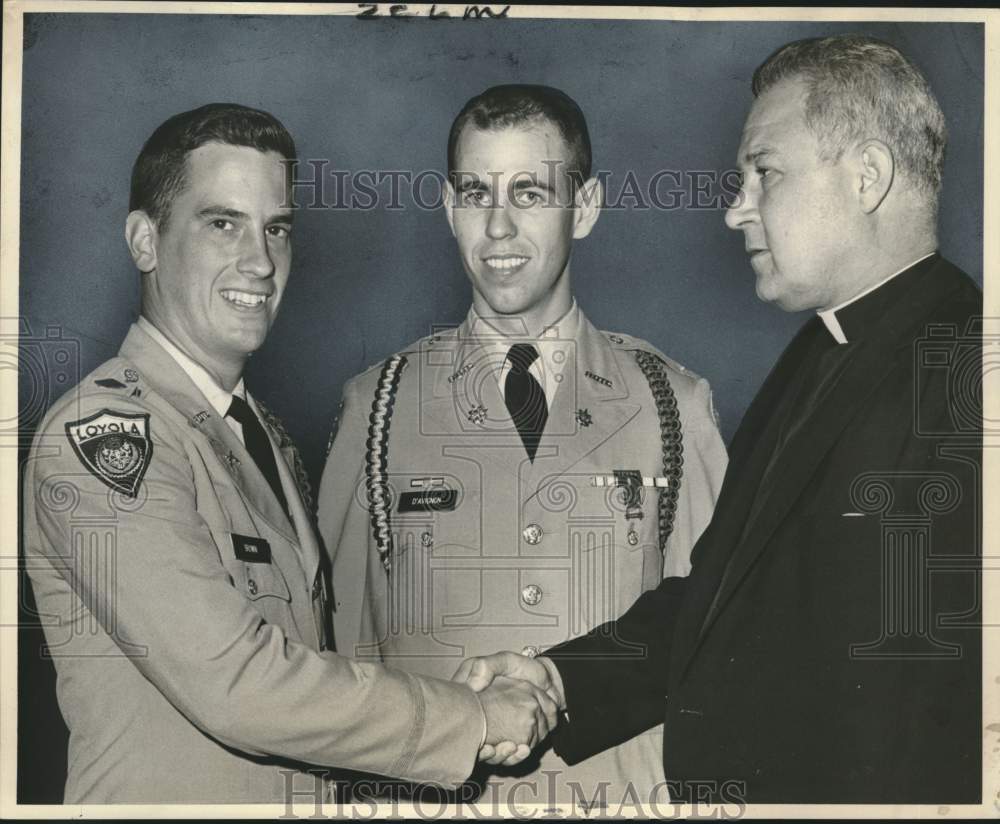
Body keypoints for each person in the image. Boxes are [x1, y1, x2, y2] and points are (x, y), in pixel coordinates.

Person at [454, 35, 983, 805]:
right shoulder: (814, 353)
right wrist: (559, 677)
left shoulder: (967, 374)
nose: (736, 208)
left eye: (763, 173)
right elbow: (716, 601)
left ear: (868, 177)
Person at [21, 103, 556, 804]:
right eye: (223, 224)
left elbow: (320, 674)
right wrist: (474, 717)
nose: (261, 261)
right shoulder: (103, 436)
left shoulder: (259, 435)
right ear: (144, 242)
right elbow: (237, 683)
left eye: (276, 228)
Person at [318, 84, 727, 805]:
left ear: (587, 207)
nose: (498, 227)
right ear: (449, 210)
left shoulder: (672, 404)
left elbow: (710, 645)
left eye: (530, 192)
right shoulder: (376, 407)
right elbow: (341, 666)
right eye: (476, 193)